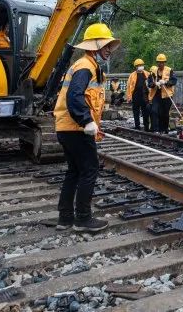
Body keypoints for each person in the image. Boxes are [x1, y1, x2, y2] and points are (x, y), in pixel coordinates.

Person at [53, 22, 120, 232]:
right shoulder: (85, 66)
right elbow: (74, 96)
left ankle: (65, 218)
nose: (109, 50)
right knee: (89, 169)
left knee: (74, 171)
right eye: (107, 46)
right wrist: (86, 121)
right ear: (95, 46)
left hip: (68, 127)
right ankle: (83, 218)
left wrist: (90, 122)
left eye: (110, 46)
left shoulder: (90, 66)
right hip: (76, 129)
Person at [148, 53, 177, 133]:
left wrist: (165, 82)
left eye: (162, 62)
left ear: (165, 62)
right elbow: (149, 83)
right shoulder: (153, 71)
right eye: (159, 62)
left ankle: (164, 129)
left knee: (165, 113)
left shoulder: (169, 70)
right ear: (157, 63)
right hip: (156, 94)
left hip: (167, 95)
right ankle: (155, 129)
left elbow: (174, 81)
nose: (160, 64)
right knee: (154, 110)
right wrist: (155, 84)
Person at [124, 58, 149, 130]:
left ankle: (146, 126)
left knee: (145, 112)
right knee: (136, 112)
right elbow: (129, 87)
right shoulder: (132, 75)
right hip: (136, 96)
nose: (141, 66)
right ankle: (137, 126)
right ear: (136, 66)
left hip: (145, 96)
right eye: (139, 65)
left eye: (141, 65)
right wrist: (129, 97)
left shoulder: (147, 73)